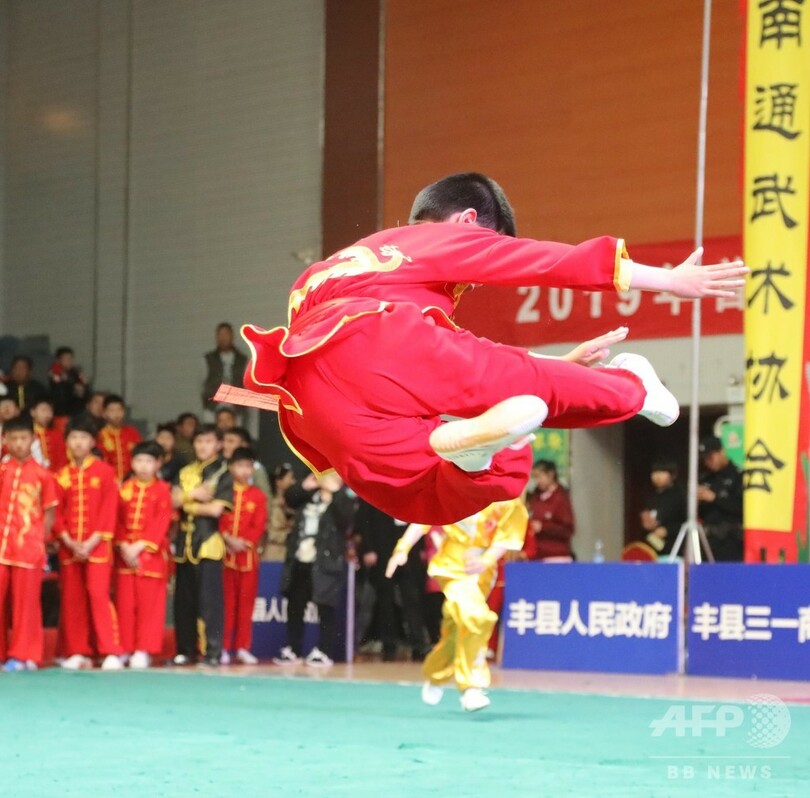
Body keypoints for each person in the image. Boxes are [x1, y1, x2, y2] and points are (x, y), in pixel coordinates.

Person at [227, 172, 748, 525]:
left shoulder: (331, 268)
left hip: (311, 404)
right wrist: (668, 281)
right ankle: (633, 386)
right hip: (379, 342)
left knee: (418, 495)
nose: (472, 283)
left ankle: (472, 455)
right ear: (469, 222)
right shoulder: (431, 239)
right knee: (520, 386)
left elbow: (421, 374)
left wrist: (547, 367)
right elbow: (541, 262)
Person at [386, 497, 528, 712]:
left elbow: (508, 534)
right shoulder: (452, 485)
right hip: (452, 565)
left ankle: (436, 673)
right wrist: (402, 548)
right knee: (476, 617)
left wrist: (487, 560)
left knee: (456, 624)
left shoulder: (504, 493)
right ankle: (471, 687)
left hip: (481, 569)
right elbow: (424, 517)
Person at [53, 416, 124, 669]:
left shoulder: (105, 472)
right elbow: (56, 513)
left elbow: (109, 510)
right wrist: (69, 541)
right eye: (73, 437)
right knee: (73, 600)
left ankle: (110, 651)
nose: (78, 442)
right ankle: (77, 651)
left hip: (98, 547)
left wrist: (92, 540)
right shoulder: (61, 475)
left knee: (98, 595)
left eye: (83, 437)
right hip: (69, 547)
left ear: (93, 441)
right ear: (67, 442)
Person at [273, 472, 355, 667]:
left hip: (325, 562)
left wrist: (334, 492)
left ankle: (324, 650)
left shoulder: (343, 498)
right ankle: (293, 648)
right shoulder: (309, 496)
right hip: (301, 558)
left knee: (325, 606)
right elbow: (290, 498)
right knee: (295, 605)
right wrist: (305, 485)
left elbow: (347, 520)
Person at [170, 424, 233, 666]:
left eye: (208, 442)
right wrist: (193, 496)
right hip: (183, 544)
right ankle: (185, 651)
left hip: (208, 543)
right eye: (199, 442)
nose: (203, 446)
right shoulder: (185, 471)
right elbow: (171, 498)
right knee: (183, 602)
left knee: (210, 602)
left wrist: (185, 503)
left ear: (218, 444)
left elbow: (217, 508)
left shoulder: (223, 472)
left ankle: (213, 652)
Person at [0, 416, 58, 670]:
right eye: (13, 438)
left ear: (32, 440)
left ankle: (24, 655)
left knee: (26, 604)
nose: (19, 444)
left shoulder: (43, 474)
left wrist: (40, 541)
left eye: (24, 438)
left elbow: (49, 513)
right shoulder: (2, 471)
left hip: (28, 547)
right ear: (4, 440)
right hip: (1, 546)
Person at [114, 441, 173, 669]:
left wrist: (139, 545)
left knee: (150, 608)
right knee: (125, 606)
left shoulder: (163, 490)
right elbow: (116, 520)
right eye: (139, 460)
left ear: (158, 464)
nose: (144, 466)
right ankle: (124, 649)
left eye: (149, 461)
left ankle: (143, 650)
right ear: (132, 462)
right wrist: (123, 545)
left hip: (151, 557)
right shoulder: (124, 488)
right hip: (125, 556)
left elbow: (162, 522)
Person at [354, 499, 426, 661]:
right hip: (382, 549)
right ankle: (389, 645)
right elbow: (365, 519)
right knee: (384, 600)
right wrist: (368, 549)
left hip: (409, 550)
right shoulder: (376, 486)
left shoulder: (413, 485)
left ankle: (418, 645)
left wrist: (420, 548)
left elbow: (421, 520)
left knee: (412, 598)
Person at [220, 447, 268, 665]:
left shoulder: (257, 495)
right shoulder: (224, 491)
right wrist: (227, 539)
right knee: (226, 604)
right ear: (231, 467)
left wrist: (242, 542)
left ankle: (242, 647)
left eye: (248, 466)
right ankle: (222, 647)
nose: (244, 470)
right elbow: (219, 519)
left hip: (247, 557)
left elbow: (259, 525)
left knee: (245, 604)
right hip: (224, 554)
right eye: (240, 465)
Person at [698, 436, 743, 562]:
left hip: (731, 541)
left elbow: (741, 508)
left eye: (711, 457)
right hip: (708, 540)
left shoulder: (738, 476)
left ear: (721, 452)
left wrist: (714, 498)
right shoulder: (705, 479)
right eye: (705, 459)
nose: (708, 462)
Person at [526, 459, 575, 561]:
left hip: (556, 556)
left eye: (540, 476)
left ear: (551, 475)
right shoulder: (536, 497)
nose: (537, 481)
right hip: (536, 555)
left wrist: (543, 527)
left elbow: (568, 529)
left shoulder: (561, 498)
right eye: (535, 477)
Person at [640, 460, 687, 557]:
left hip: (676, 547)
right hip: (654, 546)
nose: (657, 476)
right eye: (654, 472)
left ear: (673, 475)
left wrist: (668, 530)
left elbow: (687, 523)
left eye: (662, 472)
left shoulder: (681, 496)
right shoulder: (653, 497)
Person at [202, 323, 248, 417]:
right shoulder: (208, 358)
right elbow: (201, 383)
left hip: (236, 405)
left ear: (232, 336)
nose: (223, 338)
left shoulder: (242, 359)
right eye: (220, 335)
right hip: (213, 406)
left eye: (226, 334)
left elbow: (246, 383)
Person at [98, 394, 143, 482]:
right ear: (104, 413)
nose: (116, 414)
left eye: (119, 410)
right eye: (112, 410)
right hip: (108, 481)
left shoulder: (132, 432)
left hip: (131, 481)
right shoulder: (100, 435)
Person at [263, 462, 297, 562]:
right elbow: (267, 530)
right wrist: (289, 536)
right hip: (272, 554)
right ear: (279, 481)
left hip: (289, 555)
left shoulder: (292, 505)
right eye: (290, 478)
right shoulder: (269, 503)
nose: (293, 482)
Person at [48, 346, 89, 418]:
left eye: (70, 358)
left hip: (78, 410)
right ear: (58, 360)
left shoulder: (76, 372)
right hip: (62, 412)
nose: (68, 361)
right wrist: (74, 386)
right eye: (65, 359)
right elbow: (60, 390)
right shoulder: (54, 372)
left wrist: (84, 386)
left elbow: (84, 387)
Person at [30, 397, 68, 472]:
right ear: (33, 412)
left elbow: (62, 458)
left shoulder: (57, 434)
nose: (47, 414)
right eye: (43, 410)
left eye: (50, 410)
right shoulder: (27, 434)